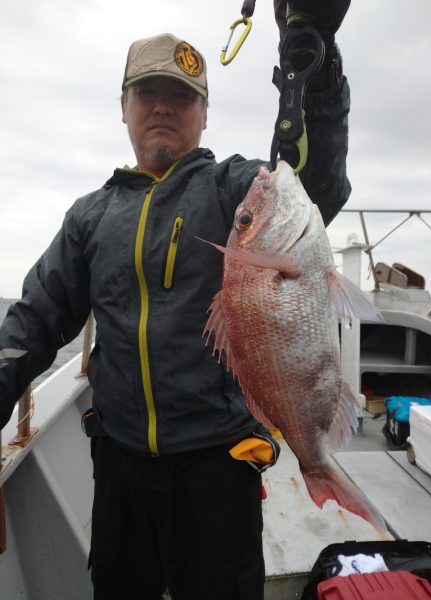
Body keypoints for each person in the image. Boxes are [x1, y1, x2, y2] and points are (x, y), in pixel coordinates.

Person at [0, 2, 351, 598]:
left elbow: (309, 181)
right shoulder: (90, 215)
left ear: (204, 115)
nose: (163, 106)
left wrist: (315, 64)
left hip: (219, 466)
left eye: (182, 96)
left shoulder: (236, 190)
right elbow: (34, 322)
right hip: (117, 465)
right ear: (124, 107)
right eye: (148, 93)